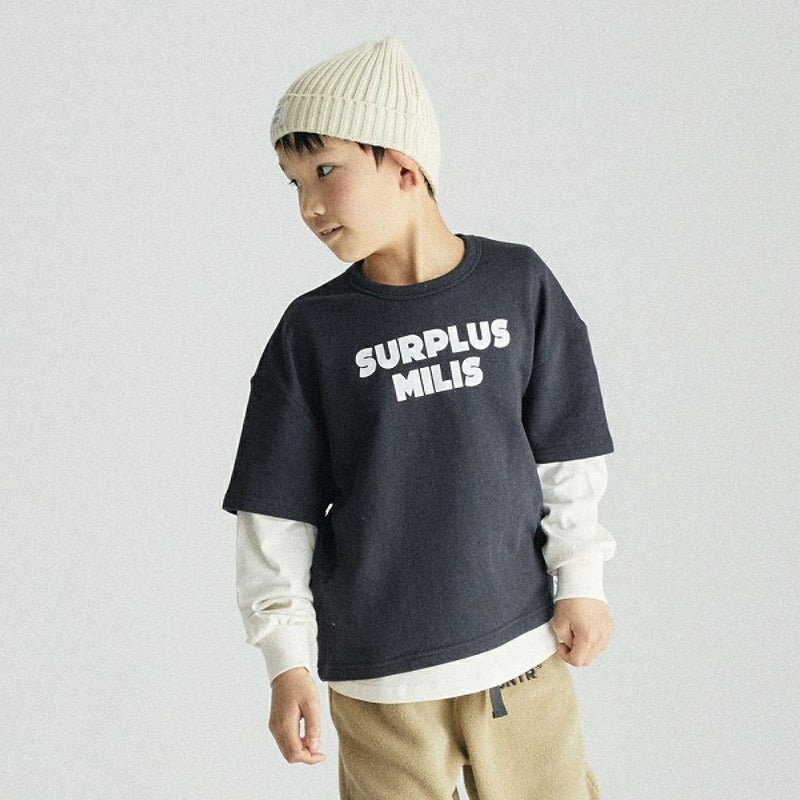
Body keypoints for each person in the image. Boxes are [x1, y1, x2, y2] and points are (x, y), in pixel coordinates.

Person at [224, 36, 616, 800]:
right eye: (294, 182)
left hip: (521, 655)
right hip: (379, 683)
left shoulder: (519, 285)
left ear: (405, 167)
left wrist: (582, 579)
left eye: (325, 170)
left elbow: (566, 451)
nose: (308, 204)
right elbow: (274, 514)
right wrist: (286, 661)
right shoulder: (312, 333)